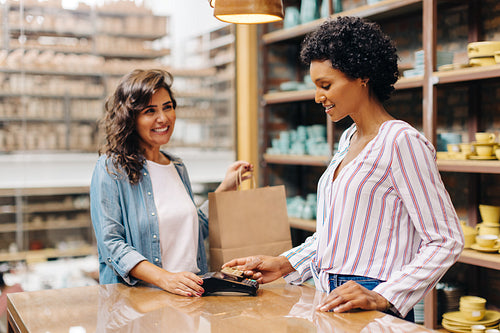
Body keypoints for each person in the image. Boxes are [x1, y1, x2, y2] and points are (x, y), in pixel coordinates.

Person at [223, 16, 464, 320]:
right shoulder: (349, 138)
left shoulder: (401, 142)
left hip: (371, 303)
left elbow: (446, 239)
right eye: (315, 86)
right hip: (329, 295)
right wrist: (284, 263)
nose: (317, 97)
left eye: (326, 85)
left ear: (362, 76)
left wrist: (383, 295)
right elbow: (337, 236)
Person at [90, 68, 253, 297]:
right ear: (131, 117)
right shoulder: (111, 168)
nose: (163, 118)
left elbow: (193, 231)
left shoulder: (177, 166)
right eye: (150, 111)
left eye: (168, 107)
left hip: (191, 297)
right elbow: (111, 244)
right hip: (143, 305)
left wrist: (224, 189)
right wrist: (165, 279)